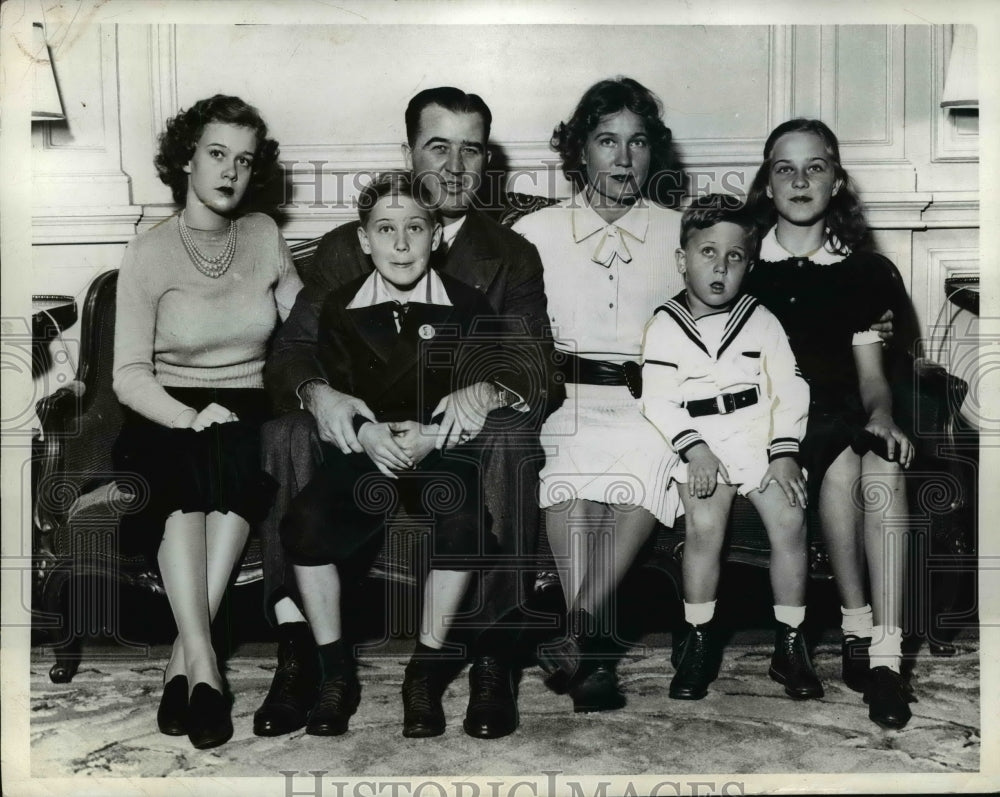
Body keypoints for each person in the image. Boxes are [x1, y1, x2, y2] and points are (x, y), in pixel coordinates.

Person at [255, 87, 554, 740]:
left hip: (455, 445)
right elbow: (291, 355)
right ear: (408, 153)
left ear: (487, 161)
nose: (454, 164)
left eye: (470, 148)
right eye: (437, 146)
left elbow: (536, 366)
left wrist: (490, 390)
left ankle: (493, 654)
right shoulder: (343, 251)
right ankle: (302, 646)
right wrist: (319, 394)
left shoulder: (511, 256)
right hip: (359, 442)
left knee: (510, 428)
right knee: (285, 430)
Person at [111, 95, 302, 749]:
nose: (230, 171)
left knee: (238, 455)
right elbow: (128, 374)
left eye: (244, 161)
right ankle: (208, 669)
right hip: (166, 409)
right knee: (182, 473)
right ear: (186, 158)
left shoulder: (265, 237)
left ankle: (183, 668)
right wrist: (188, 416)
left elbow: (303, 331)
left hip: (248, 406)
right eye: (216, 154)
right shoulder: (149, 252)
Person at [279, 172, 500, 738]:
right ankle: (334, 673)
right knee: (304, 524)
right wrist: (362, 428)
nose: (401, 245)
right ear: (363, 239)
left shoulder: (467, 304)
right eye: (385, 229)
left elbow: (497, 375)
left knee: (463, 521)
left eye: (415, 228)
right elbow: (320, 378)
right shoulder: (338, 306)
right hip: (368, 452)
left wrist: (444, 425)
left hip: (437, 449)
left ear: (437, 236)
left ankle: (423, 674)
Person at [511, 77, 685, 712]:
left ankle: (578, 632)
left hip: (650, 401)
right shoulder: (536, 232)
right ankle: (593, 648)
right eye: (606, 140)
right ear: (579, 151)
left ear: (652, 152)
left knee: (645, 464)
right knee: (571, 480)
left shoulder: (678, 233)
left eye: (636, 142)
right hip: (566, 398)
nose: (621, 156)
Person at [745, 118, 915, 729]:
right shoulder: (743, 264)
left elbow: (872, 375)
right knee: (843, 464)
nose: (799, 179)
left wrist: (883, 415)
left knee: (879, 461)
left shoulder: (863, 271)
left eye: (815, 166)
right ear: (766, 184)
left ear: (837, 181)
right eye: (783, 168)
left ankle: (885, 660)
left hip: (841, 411)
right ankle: (854, 628)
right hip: (768, 420)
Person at [641, 195, 821, 701]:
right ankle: (697, 637)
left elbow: (790, 386)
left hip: (757, 435)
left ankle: (790, 642)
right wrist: (694, 450)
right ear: (682, 260)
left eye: (735, 257)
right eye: (707, 253)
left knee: (789, 516)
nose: (720, 267)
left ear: (750, 264)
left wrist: (784, 451)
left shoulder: (760, 319)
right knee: (703, 523)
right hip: (700, 443)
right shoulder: (664, 325)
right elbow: (658, 400)